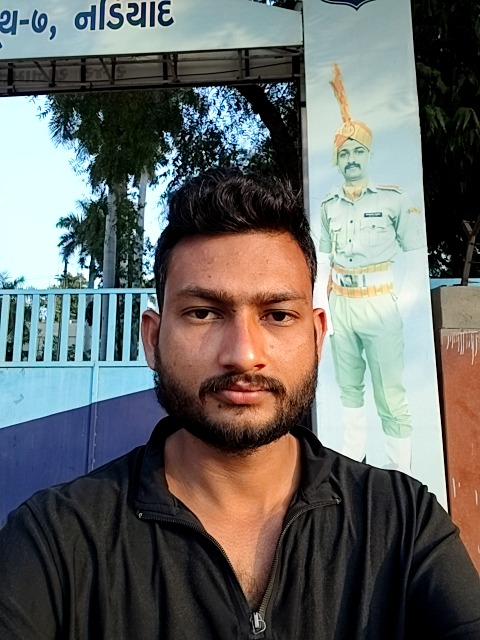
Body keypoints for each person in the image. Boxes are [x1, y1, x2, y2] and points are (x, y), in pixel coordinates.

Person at [0, 168, 479, 640]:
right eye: (203, 313)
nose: (244, 354)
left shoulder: (401, 521)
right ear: (153, 339)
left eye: (278, 315)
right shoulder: (55, 540)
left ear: (317, 337)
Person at [317, 64, 425, 472]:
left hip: (380, 304)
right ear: (337, 160)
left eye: (358, 151)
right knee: (349, 394)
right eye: (344, 153)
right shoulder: (329, 206)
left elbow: (415, 251)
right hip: (342, 304)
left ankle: (402, 480)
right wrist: (322, 307)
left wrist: (406, 301)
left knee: (391, 397)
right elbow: (323, 258)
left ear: (370, 155)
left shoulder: (393, 199)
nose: (351, 159)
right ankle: (353, 476)